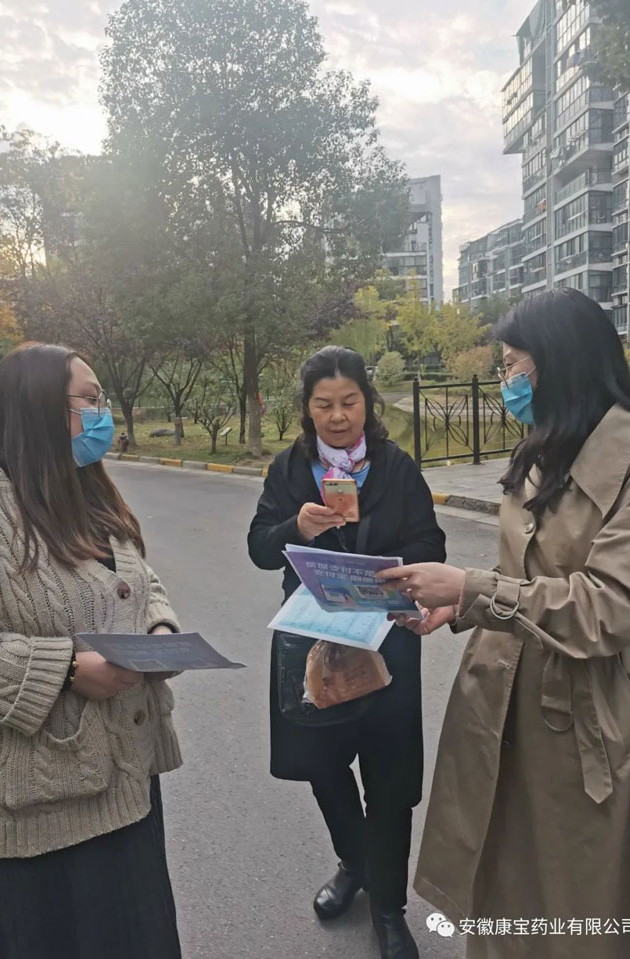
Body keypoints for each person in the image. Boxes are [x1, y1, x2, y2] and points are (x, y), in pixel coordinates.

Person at [379, 289, 630, 958]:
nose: (504, 379)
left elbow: (612, 605)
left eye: (512, 364)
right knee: (502, 886)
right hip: (503, 699)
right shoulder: (549, 443)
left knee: (576, 904)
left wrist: (473, 588)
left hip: (592, 713)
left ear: (559, 361)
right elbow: (530, 568)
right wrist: (461, 603)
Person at [0, 343, 183, 959]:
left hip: (124, 786)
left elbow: (137, 577)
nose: (103, 413)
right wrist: (68, 669)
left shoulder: (85, 486)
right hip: (29, 818)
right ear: (40, 406)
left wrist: (159, 631)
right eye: (90, 400)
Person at [248, 346, 446, 959]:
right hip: (312, 645)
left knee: (389, 782)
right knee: (324, 766)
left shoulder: (396, 468)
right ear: (307, 409)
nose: (338, 416)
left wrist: (395, 577)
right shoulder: (289, 469)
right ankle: (354, 863)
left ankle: (389, 909)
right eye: (324, 405)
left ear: (368, 402)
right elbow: (259, 546)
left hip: (386, 644)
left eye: (350, 402)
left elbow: (429, 543)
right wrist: (296, 530)